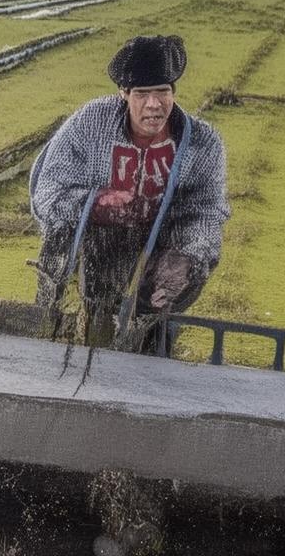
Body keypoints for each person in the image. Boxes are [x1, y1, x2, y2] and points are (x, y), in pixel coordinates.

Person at [28, 35, 229, 353]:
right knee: (78, 334)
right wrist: (97, 204)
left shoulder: (202, 143)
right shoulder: (90, 123)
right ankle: (61, 332)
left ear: (173, 92)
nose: (154, 105)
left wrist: (189, 257)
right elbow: (49, 189)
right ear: (123, 93)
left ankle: (150, 347)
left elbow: (206, 210)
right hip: (93, 250)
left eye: (162, 92)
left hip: (158, 258)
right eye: (142, 94)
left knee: (148, 341)